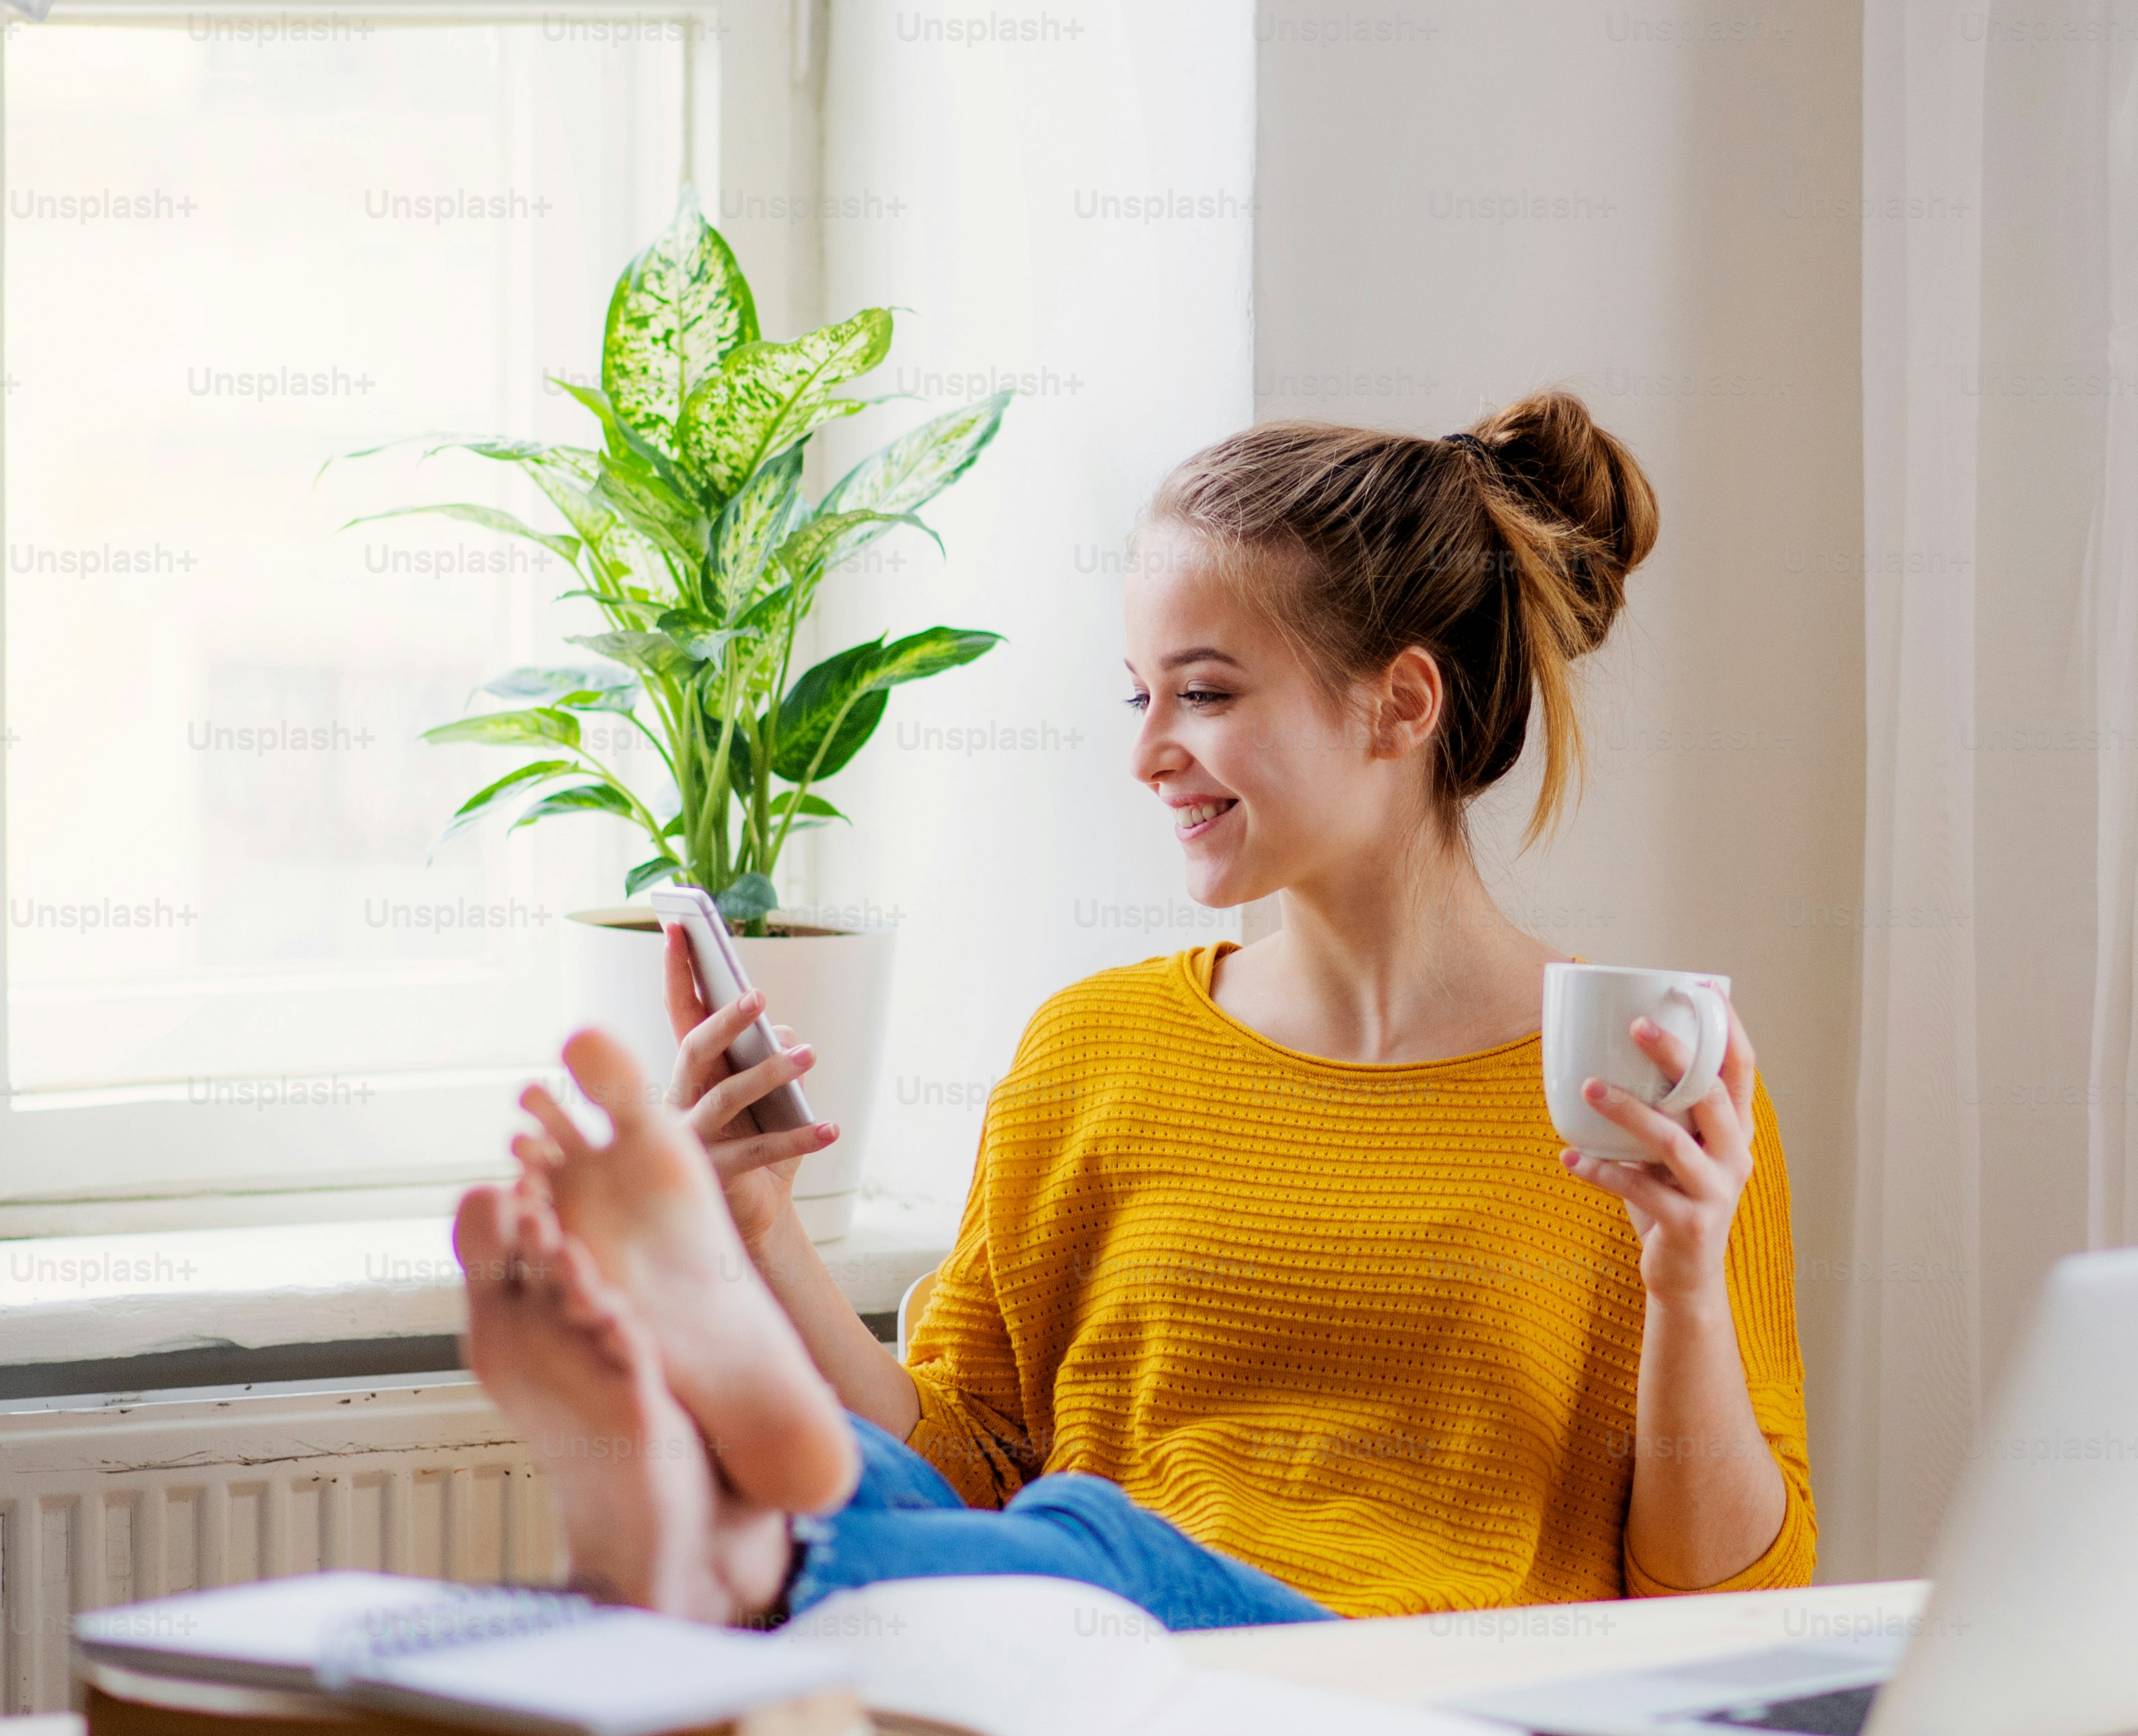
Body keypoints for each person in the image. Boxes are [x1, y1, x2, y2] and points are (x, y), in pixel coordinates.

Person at [457, 390, 1817, 1630]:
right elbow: (961, 1466)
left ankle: (744, 1547)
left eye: (1207, 694)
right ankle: (740, 1506)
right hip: (1089, 1658)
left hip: (1391, 1684)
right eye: (1141, 693)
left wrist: (1683, 1274)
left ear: (1399, 703)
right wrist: (762, 1230)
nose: (1149, 750)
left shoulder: (1644, 1093)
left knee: (1092, 1535)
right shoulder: (1094, 1050)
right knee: (959, 1505)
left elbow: (1723, 1589)